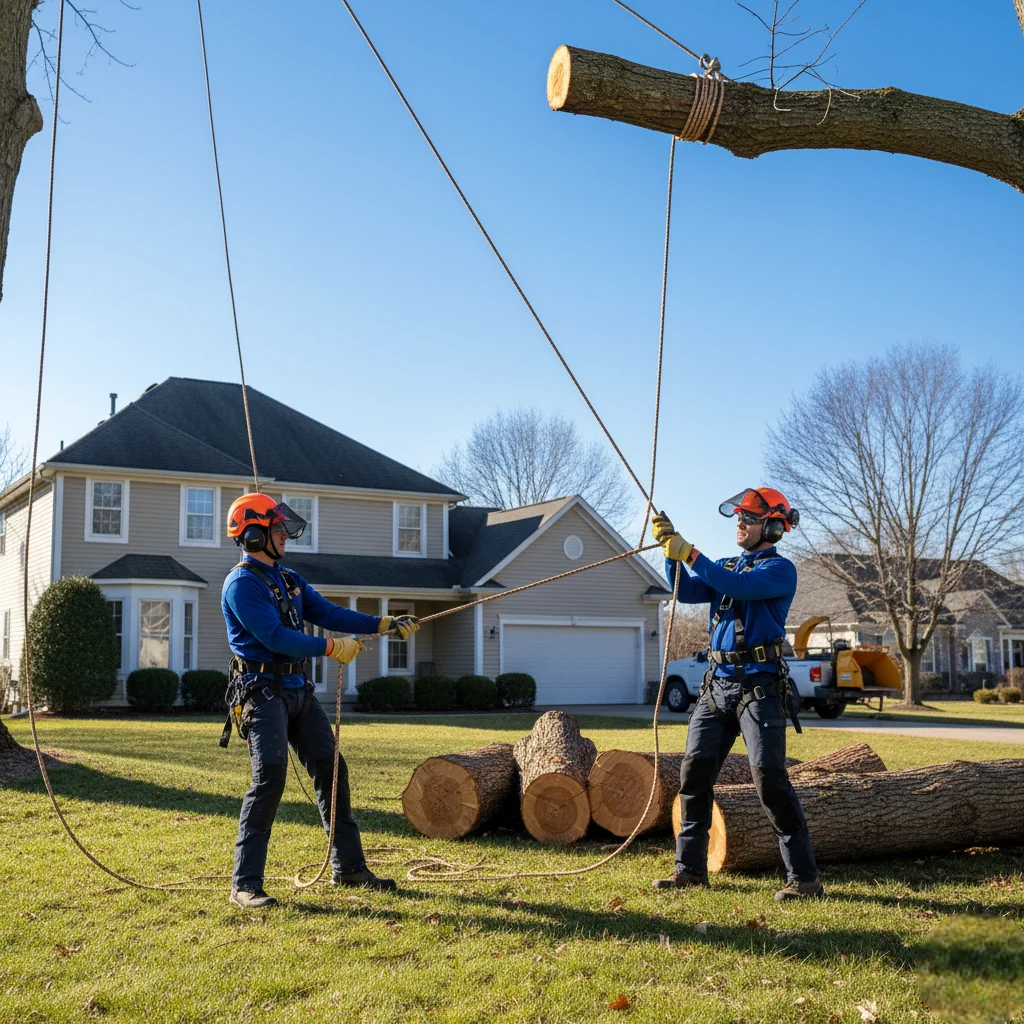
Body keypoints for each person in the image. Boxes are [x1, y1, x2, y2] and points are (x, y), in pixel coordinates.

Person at [221, 492, 420, 909]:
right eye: (278, 530)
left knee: (332, 770)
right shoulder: (241, 585)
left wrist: (382, 623)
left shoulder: (289, 579)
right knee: (270, 777)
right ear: (254, 536)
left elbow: (327, 612)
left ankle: (348, 868)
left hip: (297, 691)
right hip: (262, 692)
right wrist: (331, 649)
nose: (285, 537)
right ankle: (245, 885)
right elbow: (274, 636)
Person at [650, 488, 824, 901]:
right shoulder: (727, 566)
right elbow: (686, 591)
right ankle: (688, 869)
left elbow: (735, 586)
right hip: (716, 688)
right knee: (693, 775)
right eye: (738, 518)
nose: (739, 525)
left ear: (774, 526)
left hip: (757, 690)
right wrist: (669, 550)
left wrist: (689, 552)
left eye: (748, 518)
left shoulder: (780, 571)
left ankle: (804, 879)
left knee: (769, 779)